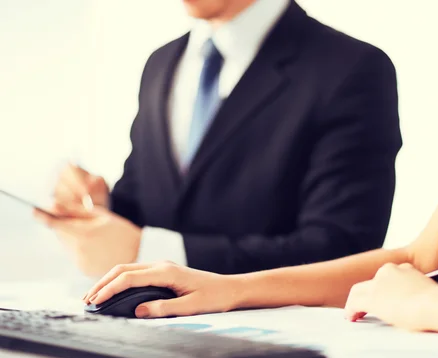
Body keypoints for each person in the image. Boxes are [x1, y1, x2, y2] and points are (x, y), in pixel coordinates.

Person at [83, 0, 438, 358]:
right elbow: (427, 261)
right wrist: (229, 289)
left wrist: (429, 306)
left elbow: (429, 288)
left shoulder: (350, 67)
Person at [35, 0, 402, 276]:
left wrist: (149, 251)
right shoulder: (161, 64)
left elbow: (342, 250)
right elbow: (149, 208)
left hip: (267, 349)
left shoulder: (350, 68)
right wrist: (100, 208)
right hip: (149, 332)